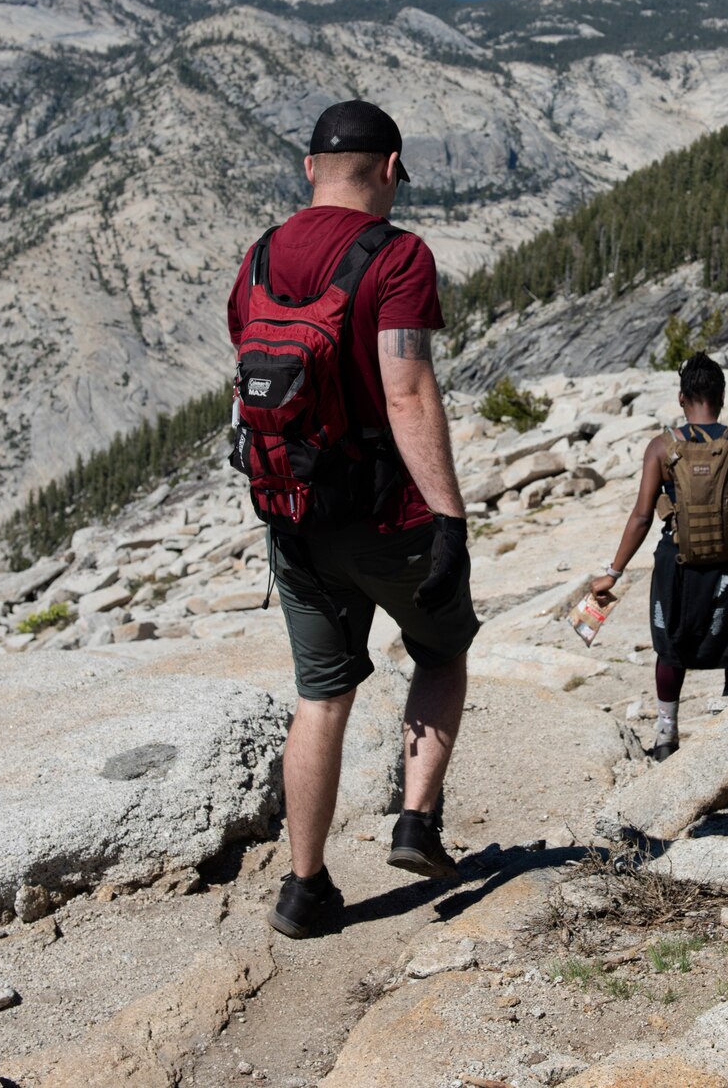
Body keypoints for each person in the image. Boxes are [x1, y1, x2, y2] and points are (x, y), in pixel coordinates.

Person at [227, 100, 480, 941]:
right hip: (386, 514)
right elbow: (406, 387)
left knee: (320, 696)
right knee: (442, 647)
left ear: (310, 167)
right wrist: (448, 517)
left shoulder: (260, 256)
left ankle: (304, 888)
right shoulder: (399, 255)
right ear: (394, 166)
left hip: (292, 514)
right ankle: (415, 819)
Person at [589, 353, 728, 761]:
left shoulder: (662, 447)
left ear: (681, 399)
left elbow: (643, 516)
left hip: (676, 566)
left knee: (671, 647)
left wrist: (613, 572)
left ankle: (666, 736)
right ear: (722, 396)